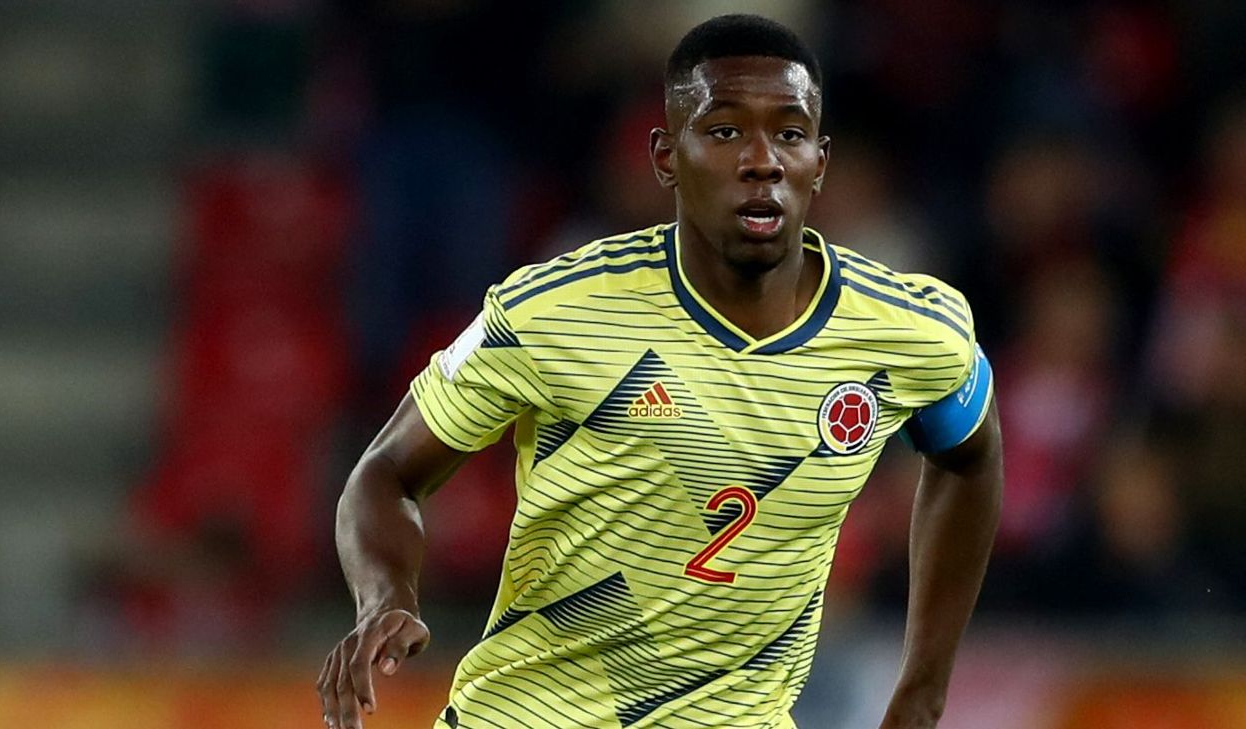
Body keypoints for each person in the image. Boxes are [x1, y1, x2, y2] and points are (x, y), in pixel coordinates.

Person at [318, 14, 1002, 729]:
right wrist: (385, 596)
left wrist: (921, 695)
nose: (763, 160)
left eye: (790, 134)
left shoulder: (910, 329)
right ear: (667, 155)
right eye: (725, 131)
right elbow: (385, 472)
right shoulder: (556, 309)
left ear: (819, 162)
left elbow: (971, 455)